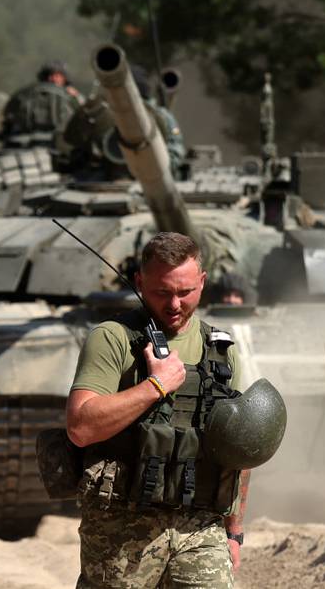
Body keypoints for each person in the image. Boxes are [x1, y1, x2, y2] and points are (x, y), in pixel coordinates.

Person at [66, 232, 250, 588]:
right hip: (122, 527)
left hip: (200, 525)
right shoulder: (113, 338)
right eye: (162, 292)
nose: (175, 305)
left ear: (202, 282)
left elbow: (239, 448)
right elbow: (80, 426)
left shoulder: (221, 350)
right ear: (139, 282)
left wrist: (235, 530)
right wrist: (155, 386)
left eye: (185, 292)